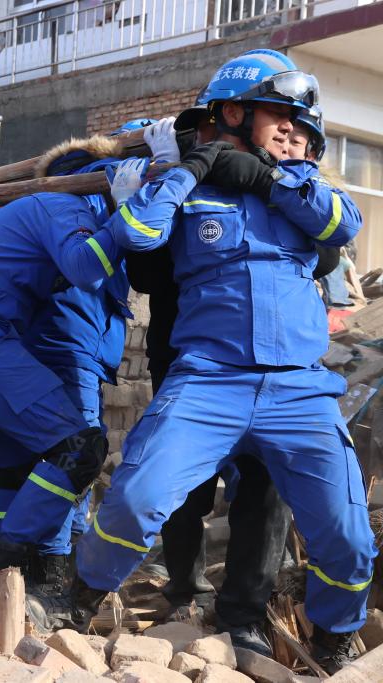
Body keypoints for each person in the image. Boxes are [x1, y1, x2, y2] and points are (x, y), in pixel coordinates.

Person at [30, 49, 373, 674]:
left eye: (304, 126)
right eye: (282, 117)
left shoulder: (306, 192)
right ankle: (79, 596)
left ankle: (334, 633)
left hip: (300, 391)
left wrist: (265, 178)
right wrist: (180, 170)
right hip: (208, 379)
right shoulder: (189, 186)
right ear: (235, 113)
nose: (295, 132)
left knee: (346, 538)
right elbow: (137, 231)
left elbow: (342, 223)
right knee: (136, 501)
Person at [137, 100, 344, 656]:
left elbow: (326, 253)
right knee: (186, 487)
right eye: (201, 136)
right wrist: (168, 184)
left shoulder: (279, 184)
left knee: (264, 486)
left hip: (275, 367)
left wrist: (270, 185)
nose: (212, 143)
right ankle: (185, 588)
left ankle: (244, 613)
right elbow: (145, 265)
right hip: (191, 358)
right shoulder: (188, 189)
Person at [0, 148, 151, 608]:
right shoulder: (62, 205)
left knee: (20, 467)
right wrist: (129, 211)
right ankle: (9, 564)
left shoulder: (34, 212)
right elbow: (86, 268)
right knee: (80, 448)